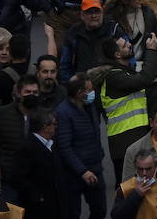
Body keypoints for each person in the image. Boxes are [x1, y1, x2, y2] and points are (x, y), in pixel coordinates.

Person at [100, 31, 157, 184]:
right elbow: (146, 78)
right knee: (127, 189)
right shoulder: (113, 76)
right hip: (124, 143)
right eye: (125, 45)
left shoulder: (126, 72)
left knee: (147, 186)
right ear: (117, 54)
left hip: (136, 138)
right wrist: (151, 51)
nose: (129, 45)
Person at [57, 75, 106, 219]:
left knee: (100, 210)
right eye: (89, 89)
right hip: (74, 174)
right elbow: (65, 147)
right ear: (79, 93)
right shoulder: (63, 112)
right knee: (72, 213)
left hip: (95, 168)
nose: (92, 93)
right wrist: (82, 171)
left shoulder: (90, 106)